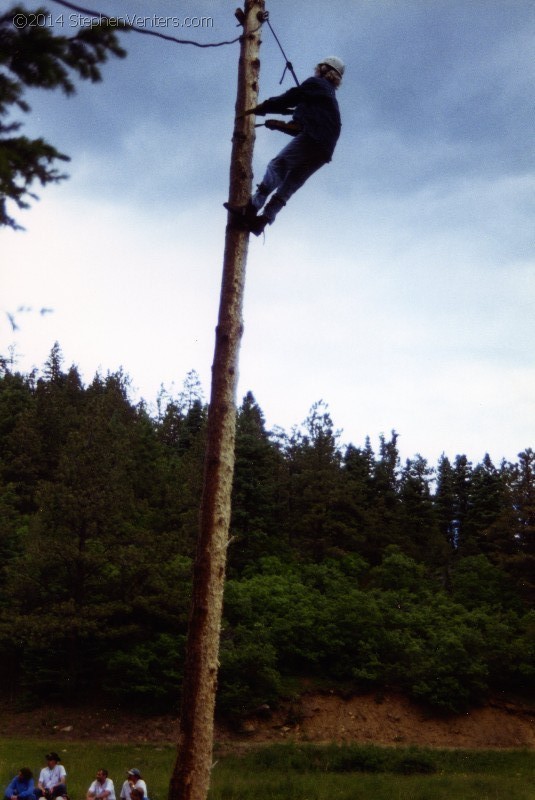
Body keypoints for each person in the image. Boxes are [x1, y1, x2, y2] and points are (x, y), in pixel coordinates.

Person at [225, 56, 344, 236]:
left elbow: (291, 98)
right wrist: (280, 124)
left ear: (324, 70)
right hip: (325, 150)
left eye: (318, 68)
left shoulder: (317, 84)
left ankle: (251, 208)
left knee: (278, 165)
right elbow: (302, 128)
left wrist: (263, 107)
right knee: (291, 182)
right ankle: (262, 221)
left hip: (313, 138)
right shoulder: (327, 98)